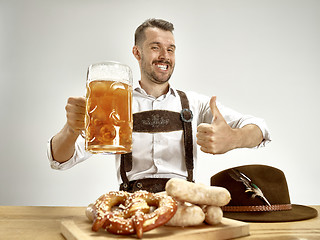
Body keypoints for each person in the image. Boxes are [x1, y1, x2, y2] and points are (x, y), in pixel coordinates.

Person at [47, 18, 271, 193]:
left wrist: (233, 138)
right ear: (137, 52)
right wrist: (71, 129)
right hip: (132, 204)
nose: (165, 56)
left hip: (185, 202)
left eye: (171, 49)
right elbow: (60, 160)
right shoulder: (113, 107)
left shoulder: (195, 104)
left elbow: (259, 128)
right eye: (155, 47)